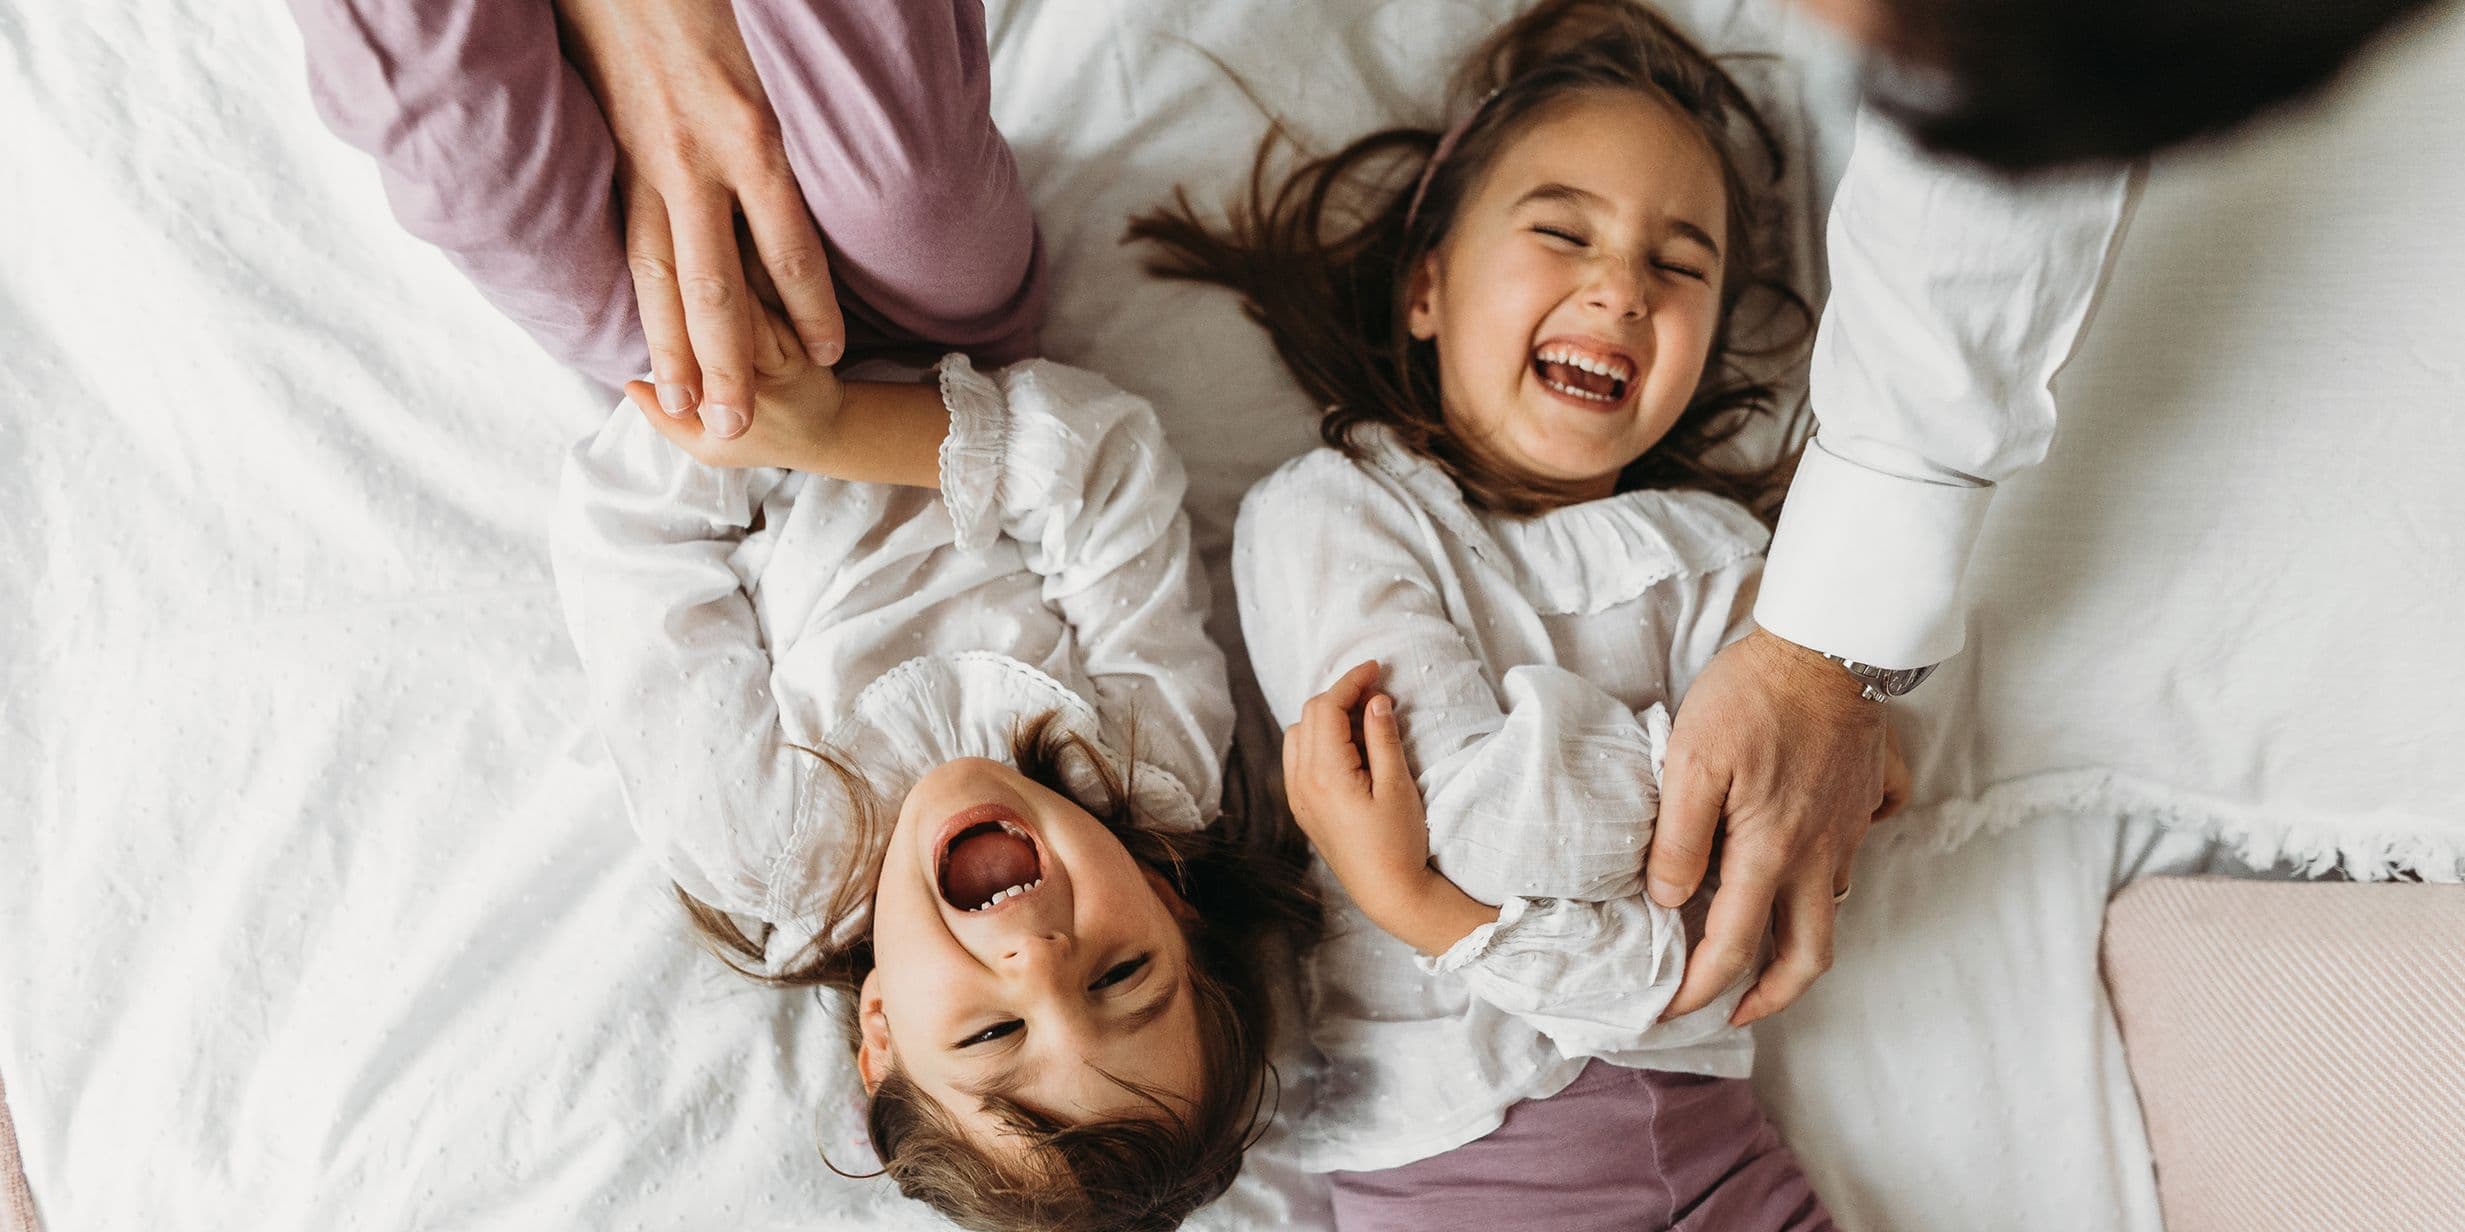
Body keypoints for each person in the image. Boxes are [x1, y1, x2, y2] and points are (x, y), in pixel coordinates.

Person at [1139, 3, 1898, 1223]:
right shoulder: (1332, 513)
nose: (1619, 287)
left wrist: (1458, 897)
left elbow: (1732, 934)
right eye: (1561, 230)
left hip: (1721, 1152)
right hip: (1458, 1171)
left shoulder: (1743, 566)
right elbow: (1484, 822)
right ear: (1428, 283)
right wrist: (1705, 774)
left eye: (1680, 264)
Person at [551, 312, 1311, 1229]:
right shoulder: (1148, 765)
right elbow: (1111, 467)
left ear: (882, 1034)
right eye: (1119, 976)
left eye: (992, 1032)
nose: (1035, 958)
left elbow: (631, 536)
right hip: (948, 322)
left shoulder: (765, 844)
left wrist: (743, 388)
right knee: (923, 210)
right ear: (1170, 900)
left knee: (501, 202)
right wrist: (836, 426)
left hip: (697, 381)